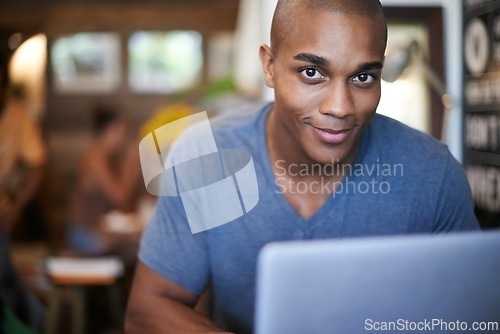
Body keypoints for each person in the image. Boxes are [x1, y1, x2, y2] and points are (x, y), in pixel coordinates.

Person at [125, 1, 480, 333]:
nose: (340, 107)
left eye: (362, 77)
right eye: (312, 72)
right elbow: (148, 308)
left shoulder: (433, 175)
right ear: (269, 66)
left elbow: (474, 316)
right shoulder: (207, 157)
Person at [0, 54, 46, 332]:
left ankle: (32, 322)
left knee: (3, 279)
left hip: (1, 214)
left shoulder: (19, 118)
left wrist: (17, 207)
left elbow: (37, 166)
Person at [67, 105, 140, 257]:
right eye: (123, 131)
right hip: (82, 233)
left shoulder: (106, 158)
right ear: (109, 130)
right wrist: (132, 163)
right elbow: (121, 198)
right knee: (132, 250)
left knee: (135, 245)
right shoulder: (96, 159)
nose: (126, 138)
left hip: (95, 229)